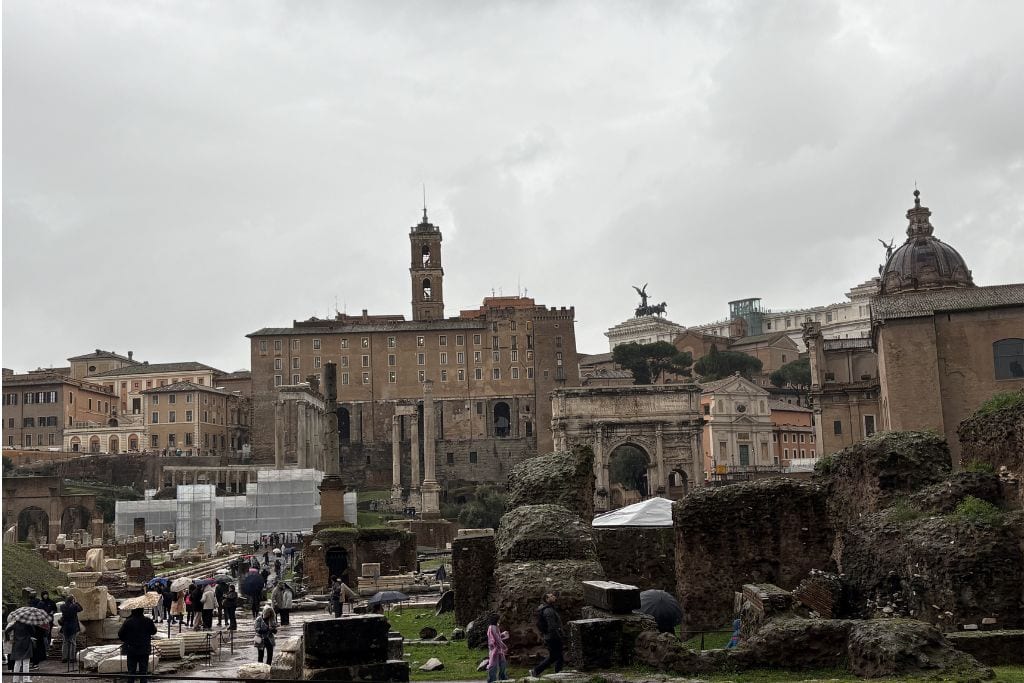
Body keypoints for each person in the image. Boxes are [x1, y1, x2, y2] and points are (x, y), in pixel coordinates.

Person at [117, 607, 157, 683]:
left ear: (133, 611)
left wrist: (127, 640)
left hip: (131, 649)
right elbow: (154, 631)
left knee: (131, 672)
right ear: (142, 611)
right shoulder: (148, 621)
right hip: (144, 650)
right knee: (143, 672)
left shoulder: (128, 622)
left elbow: (120, 634)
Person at [530, 593, 564, 677]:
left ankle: (558, 673)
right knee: (555, 656)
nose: (554, 597)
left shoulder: (550, 608)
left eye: (553, 595)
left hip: (551, 636)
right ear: (547, 599)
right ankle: (536, 670)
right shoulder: (548, 610)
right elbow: (552, 626)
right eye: (551, 596)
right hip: (552, 637)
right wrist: (558, 636)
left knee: (559, 656)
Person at [59, 595, 84, 663]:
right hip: (73, 626)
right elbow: (81, 609)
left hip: (65, 626)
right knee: (73, 642)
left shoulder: (62, 606)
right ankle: (72, 658)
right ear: (72, 600)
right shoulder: (74, 606)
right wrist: (76, 602)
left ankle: (64, 658)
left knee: (65, 642)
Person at [486, 614, 510, 683]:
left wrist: (503, 634)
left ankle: (503, 678)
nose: (500, 620)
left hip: (498, 649)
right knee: (493, 665)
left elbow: (498, 637)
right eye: (499, 619)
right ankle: (491, 680)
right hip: (494, 649)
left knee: (503, 663)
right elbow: (496, 639)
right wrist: (504, 646)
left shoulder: (495, 627)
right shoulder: (492, 627)